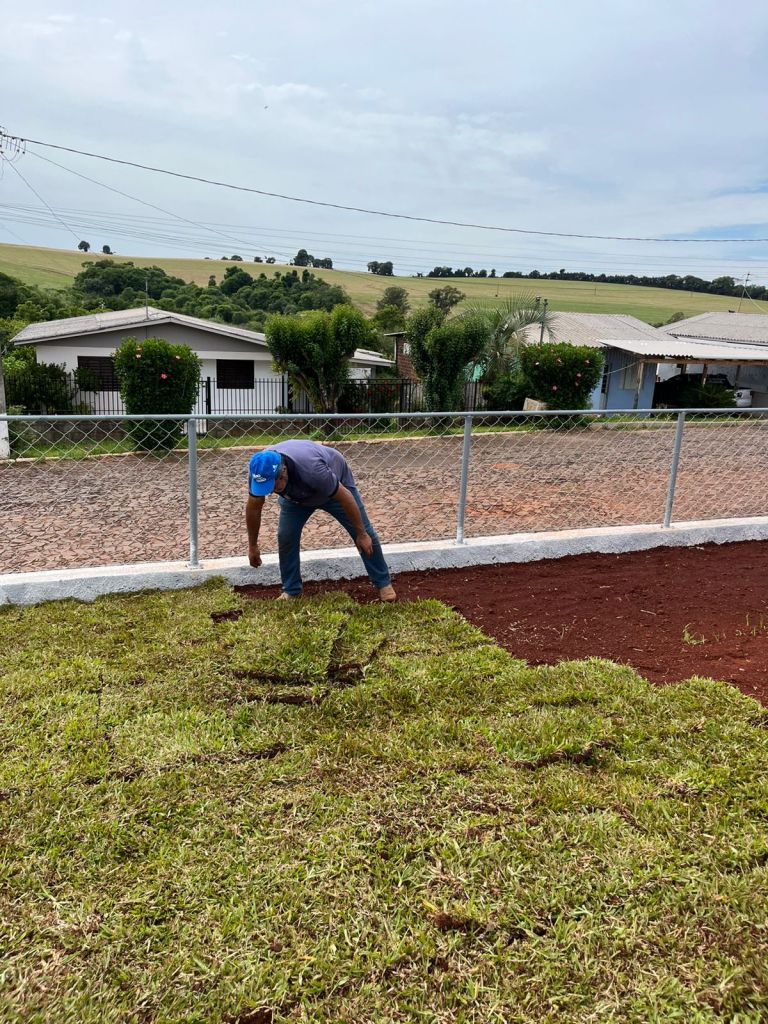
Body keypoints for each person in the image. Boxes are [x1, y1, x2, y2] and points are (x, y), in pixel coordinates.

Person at [246, 440, 396, 601]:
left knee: (364, 533)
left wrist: (361, 534)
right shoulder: (259, 472)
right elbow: (254, 508)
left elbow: (345, 497)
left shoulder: (312, 469)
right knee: (286, 536)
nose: (270, 492)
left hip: (335, 490)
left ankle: (383, 583)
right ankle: (291, 590)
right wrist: (252, 545)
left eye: (273, 485)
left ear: (284, 470)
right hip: (296, 499)